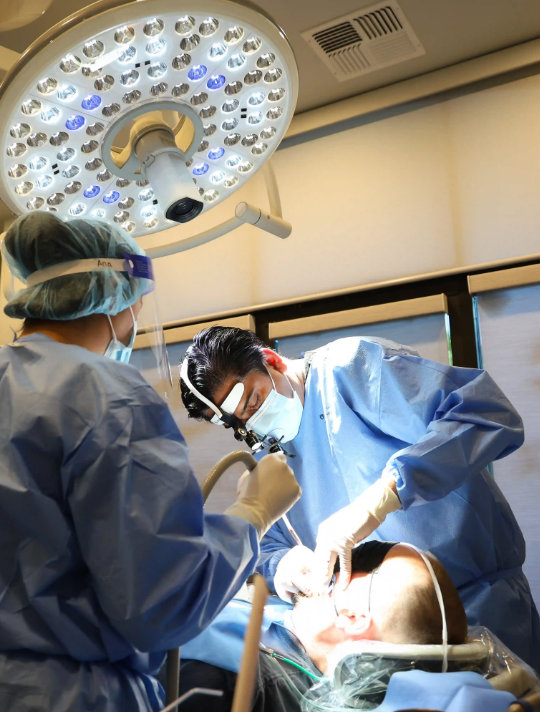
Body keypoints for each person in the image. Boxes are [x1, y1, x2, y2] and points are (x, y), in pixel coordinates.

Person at [0, 212, 301, 712]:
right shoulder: (108, 397)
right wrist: (252, 516)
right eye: (139, 298)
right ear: (112, 291)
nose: (138, 313)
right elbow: (163, 604)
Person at [179, 326, 540, 672]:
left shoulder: (350, 370)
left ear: (271, 360)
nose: (255, 424)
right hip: (382, 646)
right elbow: (264, 544)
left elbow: (485, 414)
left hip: (481, 603)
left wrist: (384, 495)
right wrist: (283, 565)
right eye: (239, 423)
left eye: (254, 401)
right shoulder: (272, 452)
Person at [176, 541, 526, 712]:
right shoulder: (290, 632)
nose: (325, 572)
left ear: (354, 616)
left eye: (344, 569)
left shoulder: (225, 681)